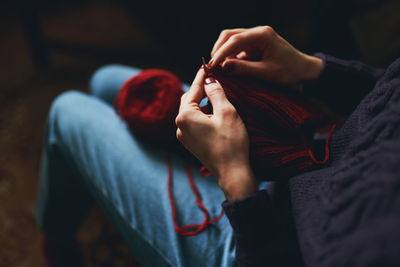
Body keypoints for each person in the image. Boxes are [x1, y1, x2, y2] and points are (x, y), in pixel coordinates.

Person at [36, 25, 400, 267]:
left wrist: (235, 177)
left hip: (263, 236)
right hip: (308, 166)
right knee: (107, 79)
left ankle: (59, 242)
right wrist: (312, 69)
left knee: (67, 109)